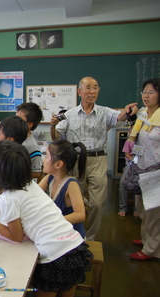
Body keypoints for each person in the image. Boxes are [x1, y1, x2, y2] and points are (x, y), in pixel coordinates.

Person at [0, 141, 93, 297]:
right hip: (73, 246)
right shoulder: (30, 185)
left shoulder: (7, 199)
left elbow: (16, 236)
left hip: (54, 256)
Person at [50, 77, 138, 241]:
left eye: (96, 88)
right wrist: (52, 125)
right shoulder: (68, 115)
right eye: (88, 87)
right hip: (75, 160)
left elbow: (120, 117)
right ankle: (72, 234)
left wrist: (127, 111)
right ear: (79, 92)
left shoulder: (105, 112)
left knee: (97, 203)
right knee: (72, 200)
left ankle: (89, 238)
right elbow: (57, 138)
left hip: (97, 159)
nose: (92, 91)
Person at [128, 78, 160, 261]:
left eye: (151, 92)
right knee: (141, 207)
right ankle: (147, 239)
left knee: (154, 212)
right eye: (144, 91)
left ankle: (151, 250)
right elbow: (139, 139)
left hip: (157, 170)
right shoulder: (142, 114)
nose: (146, 95)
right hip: (141, 168)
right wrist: (132, 152)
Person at [38, 140, 87, 238]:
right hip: (58, 232)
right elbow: (33, 194)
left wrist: (53, 221)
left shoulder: (71, 185)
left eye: (46, 156)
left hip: (73, 237)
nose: (43, 160)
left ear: (58, 164)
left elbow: (80, 215)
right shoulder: (49, 178)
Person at [118, 123, 138, 217]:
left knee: (139, 185)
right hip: (130, 165)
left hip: (142, 166)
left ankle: (137, 209)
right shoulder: (129, 141)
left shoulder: (144, 141)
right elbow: (126, 153)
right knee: (123, 184)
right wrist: (133, 160)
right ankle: (123, 208)